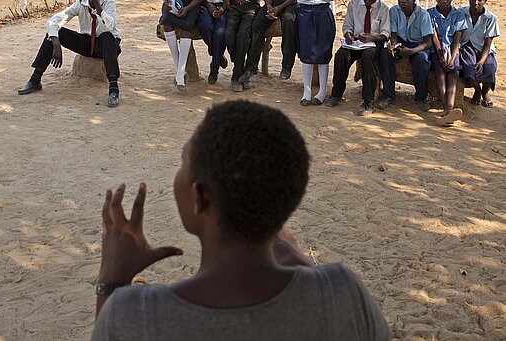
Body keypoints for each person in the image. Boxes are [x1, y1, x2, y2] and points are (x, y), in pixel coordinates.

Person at [91, 100, 390, 341]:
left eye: (183, 163)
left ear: (201, 197)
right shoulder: (343, 294)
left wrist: (112, 280)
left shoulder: (135, 315)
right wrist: (301, 263)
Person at [17, 0, 121, 107]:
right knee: (56, 33)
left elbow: (110, 26)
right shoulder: (81, 3)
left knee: (106, 36)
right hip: (88, 43)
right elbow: (55, 21)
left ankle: (113, 89)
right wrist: (56, 44)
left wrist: (98, 7)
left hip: (107, 46)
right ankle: (35, 79)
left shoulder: (108, 3)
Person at [325, 0, 390, 116]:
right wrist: (348, 35)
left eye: (373, 0)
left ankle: (368, 101)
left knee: (368, 57)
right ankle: (336, 94)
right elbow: (347, 26)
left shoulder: (383, 8)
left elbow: (385, 33)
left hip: (372, 43)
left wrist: (371, 38)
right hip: (355, 42)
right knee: (341, 55)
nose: (369, 2)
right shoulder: (354, 4)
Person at [293, 0, 339, 106]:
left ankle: (321, 92)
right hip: (306, 13)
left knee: (323, 51)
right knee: (307, 51)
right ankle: (306, 91)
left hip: (323, 14)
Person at [378, 0, 433, 112]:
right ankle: (388, 95)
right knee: (386, 55)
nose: (403, 1)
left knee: (422, 60)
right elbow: (393, 35)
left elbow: (428, 43)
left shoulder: (423, 14)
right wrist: (393, 45)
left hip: (418, 44)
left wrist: (412, 51)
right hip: (401, 42)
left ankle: (421, 98)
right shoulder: (394, 11)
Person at [427, 0, 467, 126]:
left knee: (454, 72)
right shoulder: (429, 13)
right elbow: (434, 37)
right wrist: (441, 57)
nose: (444, 1)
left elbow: (457, 40)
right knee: (439, 71)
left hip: (452, 50)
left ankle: (449, 108)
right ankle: (446, 108)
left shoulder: (458, 15)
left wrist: (453, 57)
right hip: (436, 50)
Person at [459, 0, 500, 107]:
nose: (475, 3)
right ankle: (477, 91)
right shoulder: (461, 13)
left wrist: (481, 62)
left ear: (485, 1)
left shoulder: (491, 18)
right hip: (467, 46)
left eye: (480, 0)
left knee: (489, 68)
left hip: (484, 49)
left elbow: (487, 44)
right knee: (469, 69)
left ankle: (485, 92)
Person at [196, 0, 230, 84]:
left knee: (220, 33)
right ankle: (218, 54)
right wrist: (208, 5)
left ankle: (214, 69)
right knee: (205, 25)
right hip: (204, 4)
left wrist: (222, 9)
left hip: (220, 5)